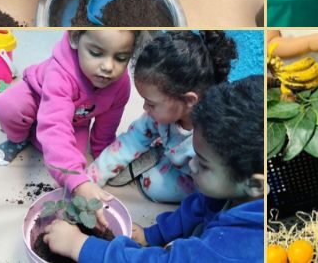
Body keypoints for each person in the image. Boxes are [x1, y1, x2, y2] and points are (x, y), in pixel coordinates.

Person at [43, 75, 265, 262]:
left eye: (204, 164)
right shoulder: (231, 189)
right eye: (195, 155)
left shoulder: (237, 246)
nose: (191, 165)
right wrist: (155, 234)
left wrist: (80, 247)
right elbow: (199, 206)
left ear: (255, 184)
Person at [0, 30, 144, 228]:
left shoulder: (121, 86)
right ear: (75, 39)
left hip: (74, 120)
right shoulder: (60, 73)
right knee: (8, 106)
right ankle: (18, 137)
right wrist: (77, 181)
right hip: (35, 98)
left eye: (121, 58)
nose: (108, 67)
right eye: (96, 53)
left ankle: (37, 135)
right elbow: (54, 125)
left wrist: (104, 158)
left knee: (70, 163)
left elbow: (106, 126)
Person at [86, 31, 238, 203]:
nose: (144, 107)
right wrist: (90, 179)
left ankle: (161, 153)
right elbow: (130, 140)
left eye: (150, 103)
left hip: (193, 173)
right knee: (126, 154)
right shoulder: (161, 115)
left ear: (189, 100)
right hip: (175, 152)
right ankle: (161, 150)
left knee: (153, 187)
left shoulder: (209, 138)